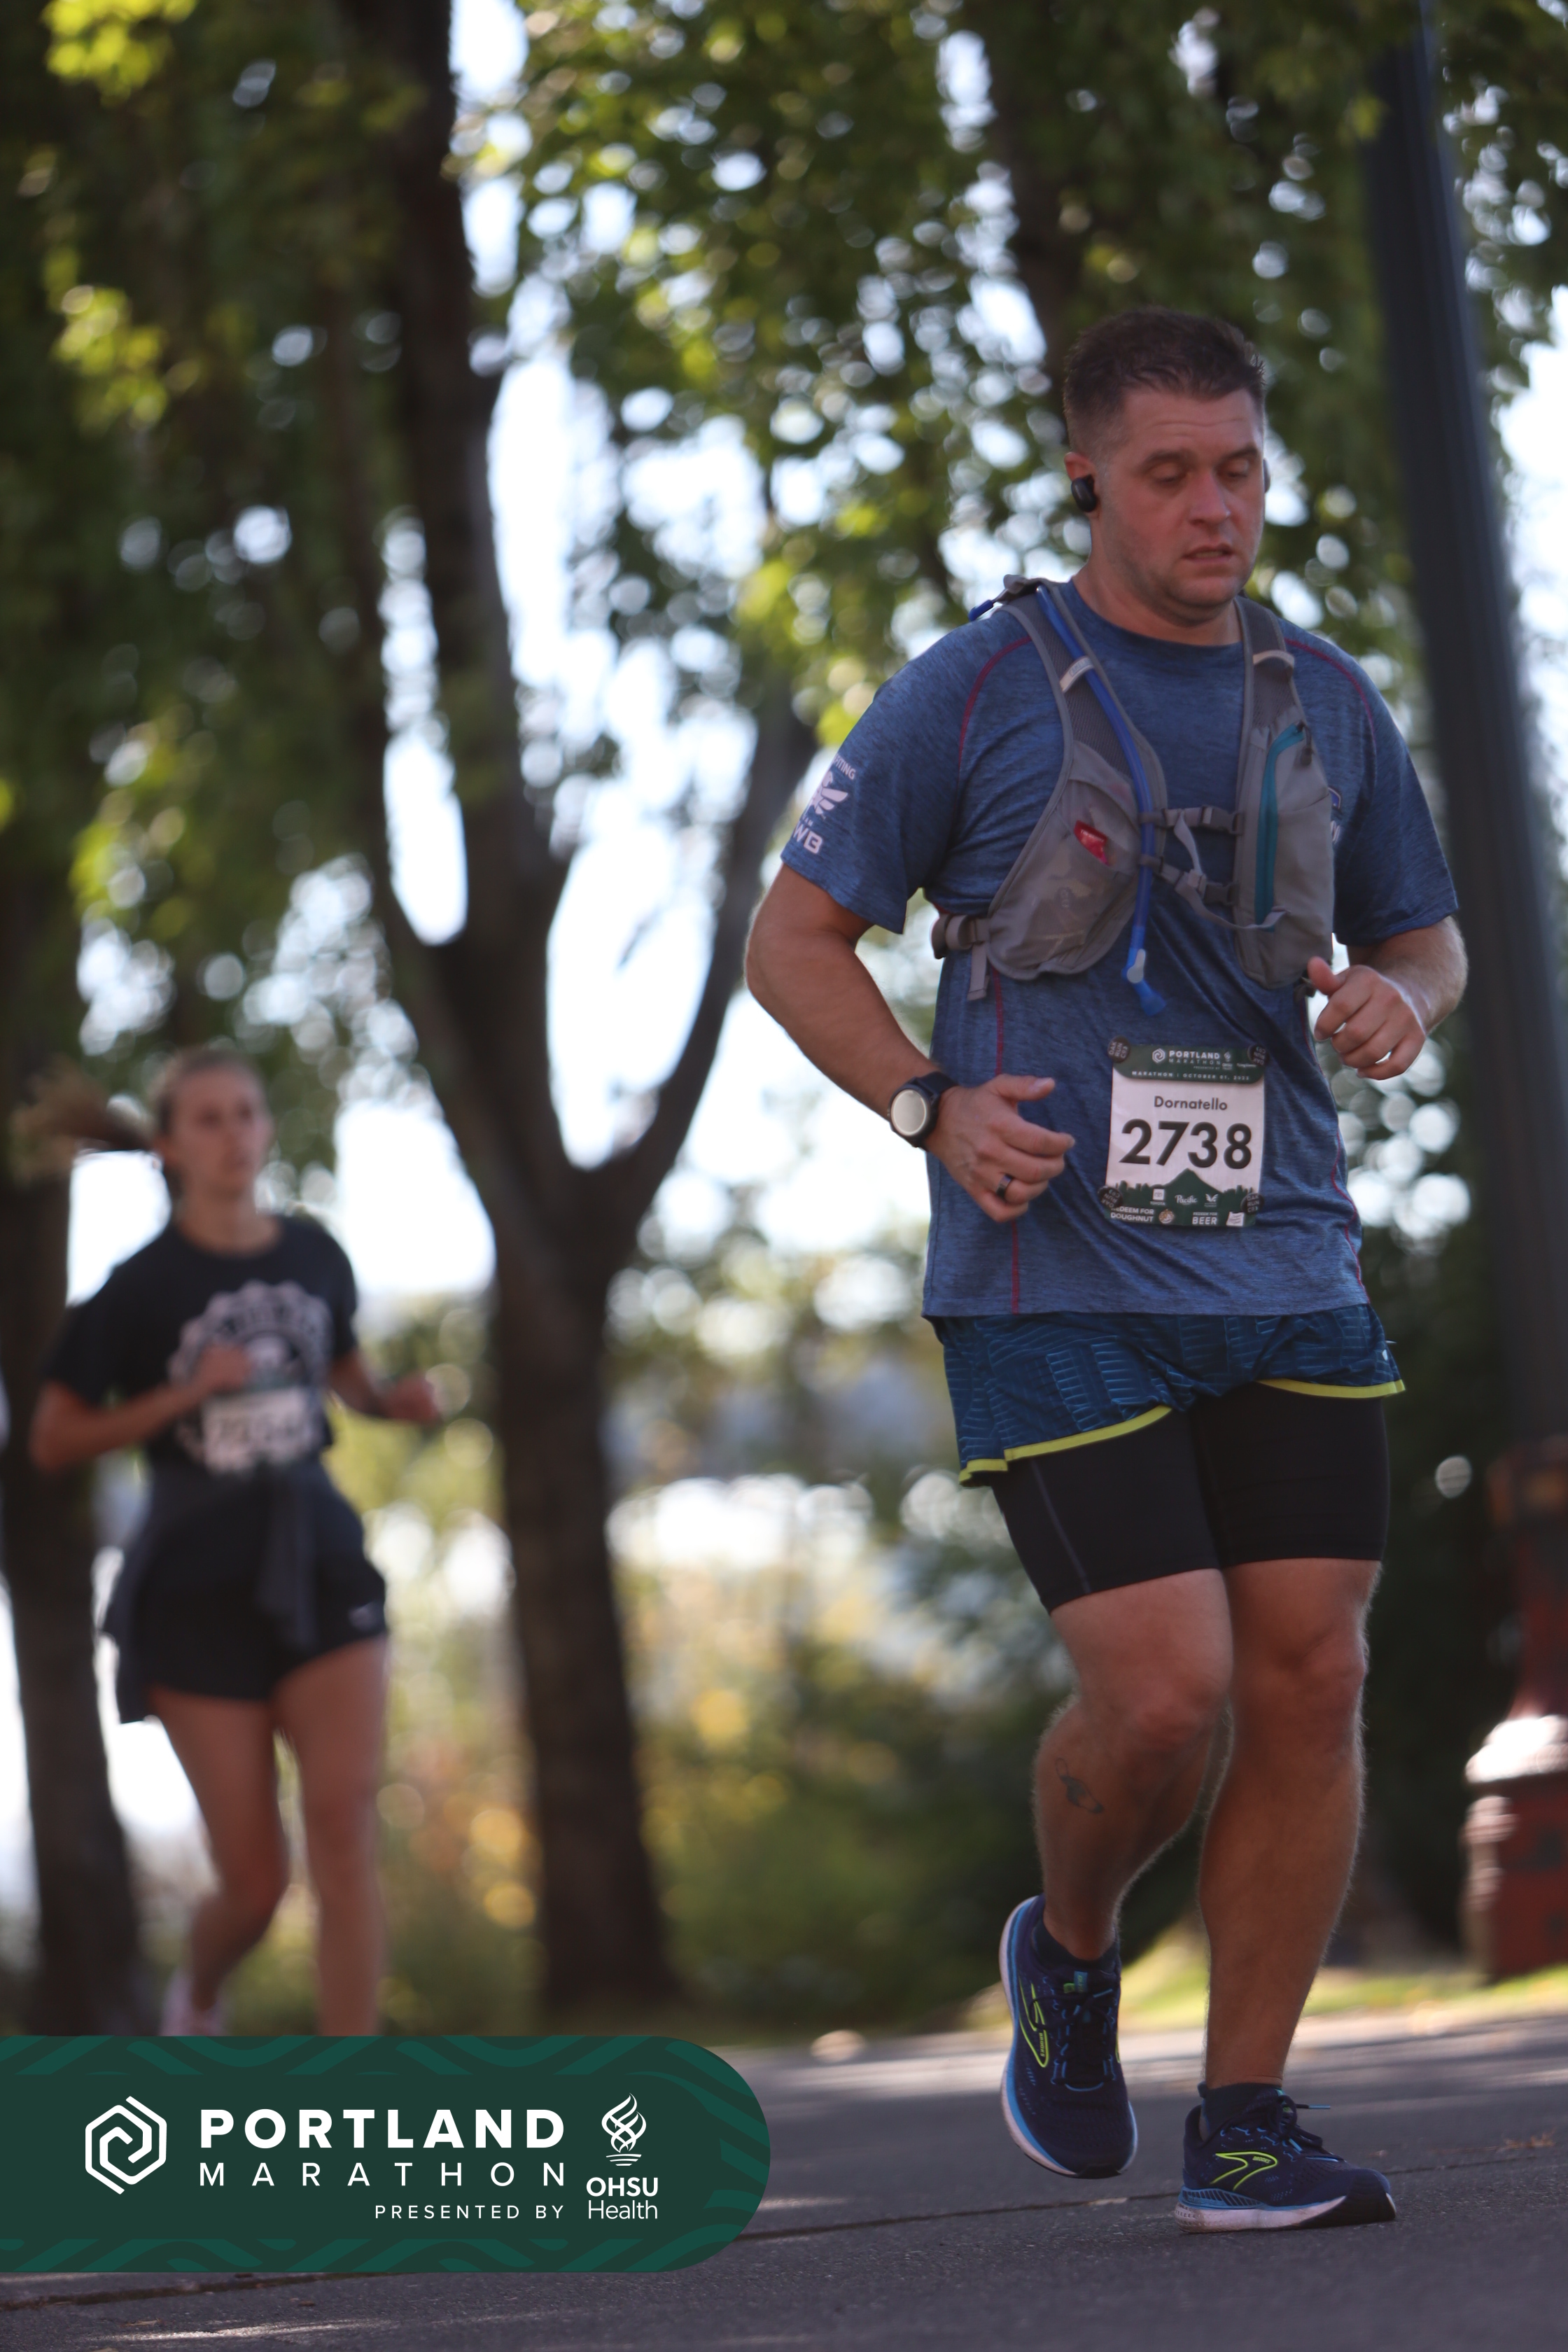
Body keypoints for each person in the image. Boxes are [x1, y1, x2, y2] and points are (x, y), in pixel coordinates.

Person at [747, 307, 1466, 2232]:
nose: (1215, 506)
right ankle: (1070, 1949)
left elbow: (1423, 932)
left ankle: (1246, 2120)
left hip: (1286, 1260)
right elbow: (794, 940)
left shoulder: (1323, 695)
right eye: (1170, 474)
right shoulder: (977, 685)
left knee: (1311, 1677)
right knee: (1165, 1702)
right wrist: (925, 1108)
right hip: (1050, 1276)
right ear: (1087, 473)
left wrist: (1404, 999)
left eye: (1238, 469)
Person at [30, 1044, 439, 2034]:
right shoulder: (136, 1288)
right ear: (170, 1146)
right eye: (208, 1119)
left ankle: (354, 2089)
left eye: (246, 1113)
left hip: (320, 1560)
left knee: (343, 1826)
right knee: (257, 1882)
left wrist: (392, 1402)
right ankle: (201, 1994)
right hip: (194, 1589)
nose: (234, 1134)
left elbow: (346, 1377)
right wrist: (183, 1394)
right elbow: (53, 1439)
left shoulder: (314, 1254)